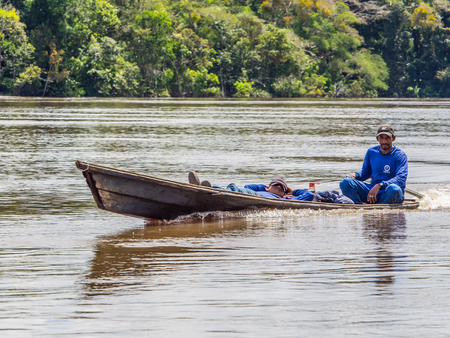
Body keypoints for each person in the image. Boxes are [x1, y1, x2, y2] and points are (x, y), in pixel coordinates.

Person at [339, 124, 408, 204]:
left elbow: (401, 179)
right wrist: (355, 175)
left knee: (394, 189)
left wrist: (380, 185)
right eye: (381, 138)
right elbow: (366, 173)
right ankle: (358, 207)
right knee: (345, 182)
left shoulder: (400, 155)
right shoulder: (371, 152)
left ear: (393, 138)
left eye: (387, 138)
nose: (384, 141)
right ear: (377, 138)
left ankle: (380, 207)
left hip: (389, 192)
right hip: (372, 191)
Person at [189, 173, 353, 203]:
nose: (279, 189)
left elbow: (309, 196)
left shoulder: (284, 198)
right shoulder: (263, 189)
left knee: (231, 187)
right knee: (231, 186)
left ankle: (205, 189)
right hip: (251, 194)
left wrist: (290, 190)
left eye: (281, 188)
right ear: (269, 186)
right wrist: (266, 187)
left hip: (255, 198)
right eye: (276, 186)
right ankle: (202, 188)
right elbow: (247, 186)